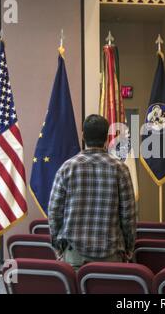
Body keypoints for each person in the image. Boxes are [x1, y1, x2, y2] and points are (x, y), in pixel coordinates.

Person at [48, 114, 136, 270]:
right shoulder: (120, 169)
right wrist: (129, 249)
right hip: (112, 257)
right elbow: (128, 216)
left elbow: (54, 212)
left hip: (74, 256)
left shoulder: (66, 168)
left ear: (83, 136)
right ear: (107, 138)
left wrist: (57, 246)